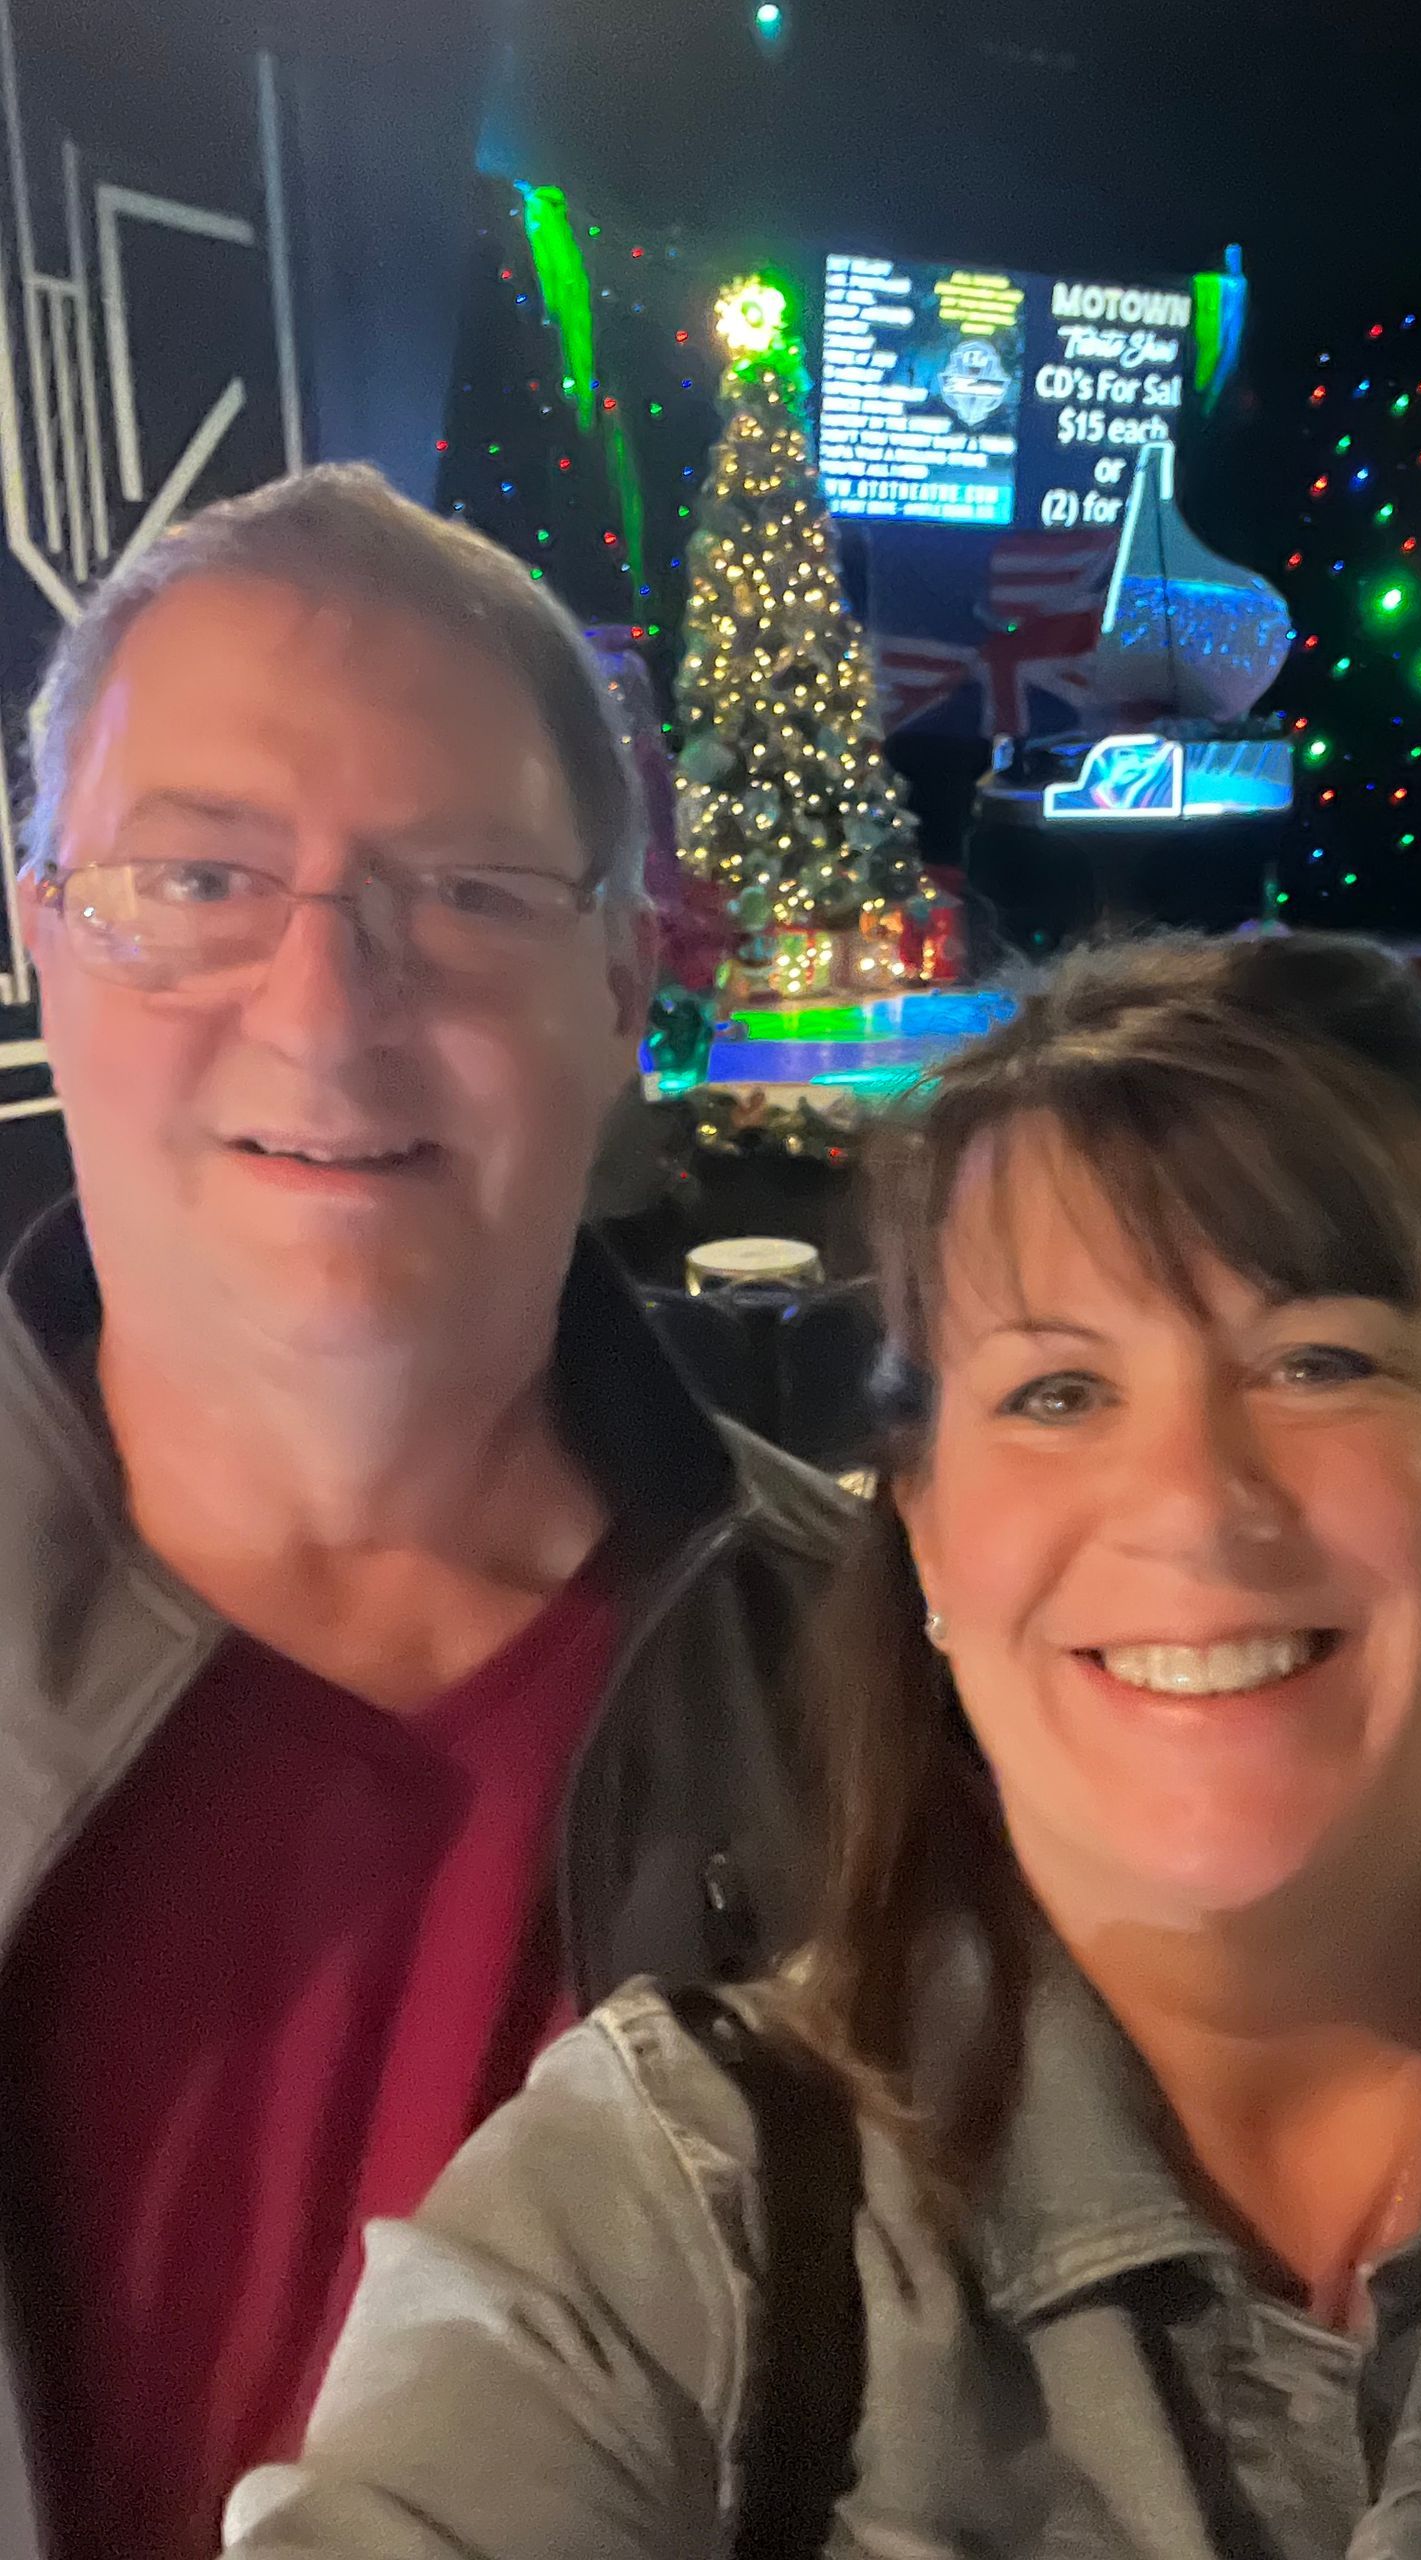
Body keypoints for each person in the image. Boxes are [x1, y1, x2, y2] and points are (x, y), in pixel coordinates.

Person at [230, 934, 1421, 2560]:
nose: (1196, 1500)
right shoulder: (677, 2218)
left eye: (1319, 1361)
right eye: (1055, 1392)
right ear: (930, 1541)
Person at [0, 465, 848, 2560]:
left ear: (626, 986)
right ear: (43, 943)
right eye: (198, 879)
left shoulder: (899, 1681)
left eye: (465, 889)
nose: (325, 1001)